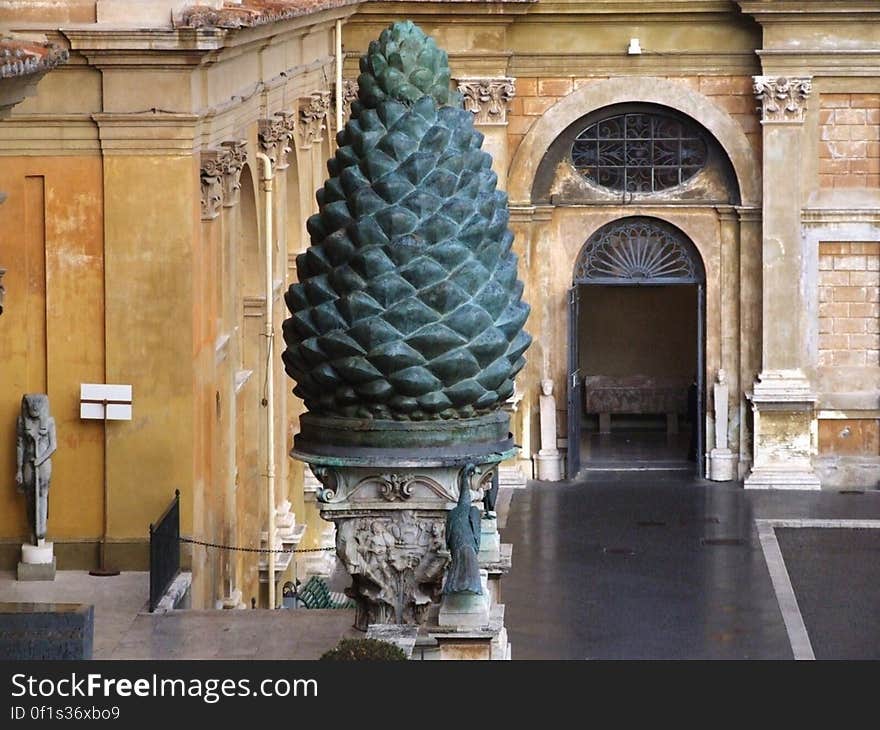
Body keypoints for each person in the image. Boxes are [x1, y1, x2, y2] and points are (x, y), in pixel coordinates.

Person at [15, 394, 57, 544]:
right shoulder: (21, 421)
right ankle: (32, 529)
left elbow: (53, 446)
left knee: (43, 493)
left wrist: (41, 459)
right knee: (29, 496)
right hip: (28, 461)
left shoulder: (50, 422)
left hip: (43, 462)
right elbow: (20, 445)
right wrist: (19, 469)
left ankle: (41, 530)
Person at [442, 464, 482, 595]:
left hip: (459, 544)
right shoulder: (471, 512)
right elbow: (476, 537)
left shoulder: (454, 513)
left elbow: (448, 538)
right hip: (466, 543)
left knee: (459, 561)